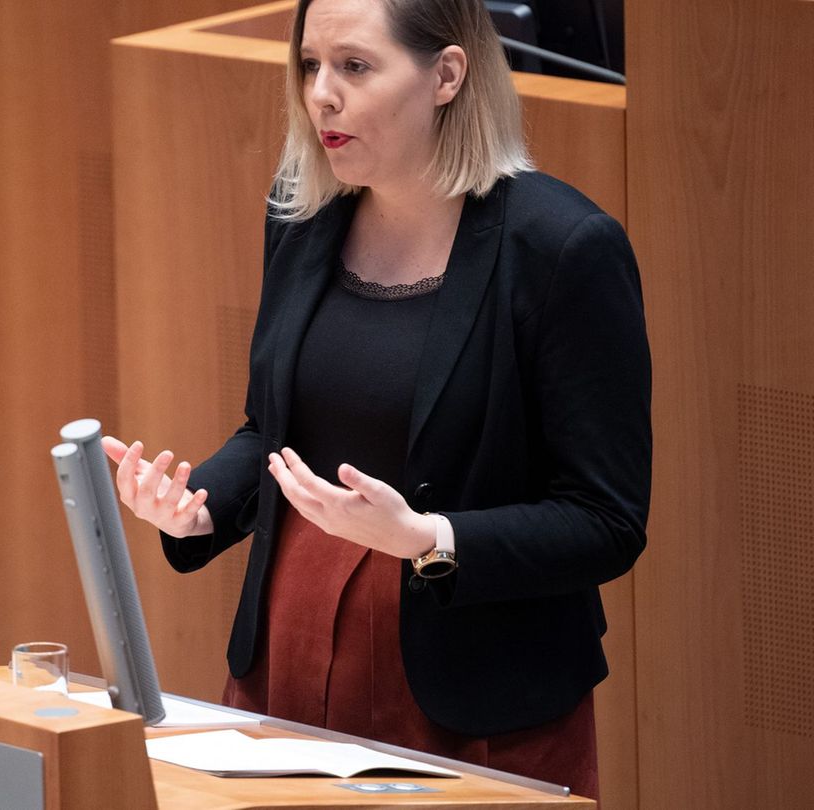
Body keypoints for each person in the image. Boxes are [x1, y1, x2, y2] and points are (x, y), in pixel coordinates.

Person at [100, 0, 650, 798]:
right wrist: (201, 504)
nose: (321, 93)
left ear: (447, 75)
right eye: (310, 66)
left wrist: (429, 537)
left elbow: (606, 520)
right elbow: (275, 428)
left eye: (354, 67)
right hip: (287, 649)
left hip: (478, 691)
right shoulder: (303, 211)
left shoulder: (564, 250)